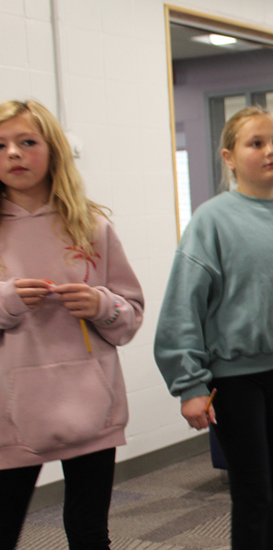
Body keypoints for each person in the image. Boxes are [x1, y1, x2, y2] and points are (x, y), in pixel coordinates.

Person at [154, 106, 273, 550]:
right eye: (255, 143)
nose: (270, 151)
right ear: (228, 156)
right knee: (255, 494)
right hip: (236, 379)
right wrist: (190, 385)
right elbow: (182, 306)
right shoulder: (211, 219)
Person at [0, 100, 144, 550]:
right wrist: (6, 300)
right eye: (1, 145)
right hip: (11, 416)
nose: (14, 154)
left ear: (54, 150)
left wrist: (101, 304)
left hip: (91, 412)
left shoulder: (91, 227)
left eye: (27, 142)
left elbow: (131, 316)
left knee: (88, 532)